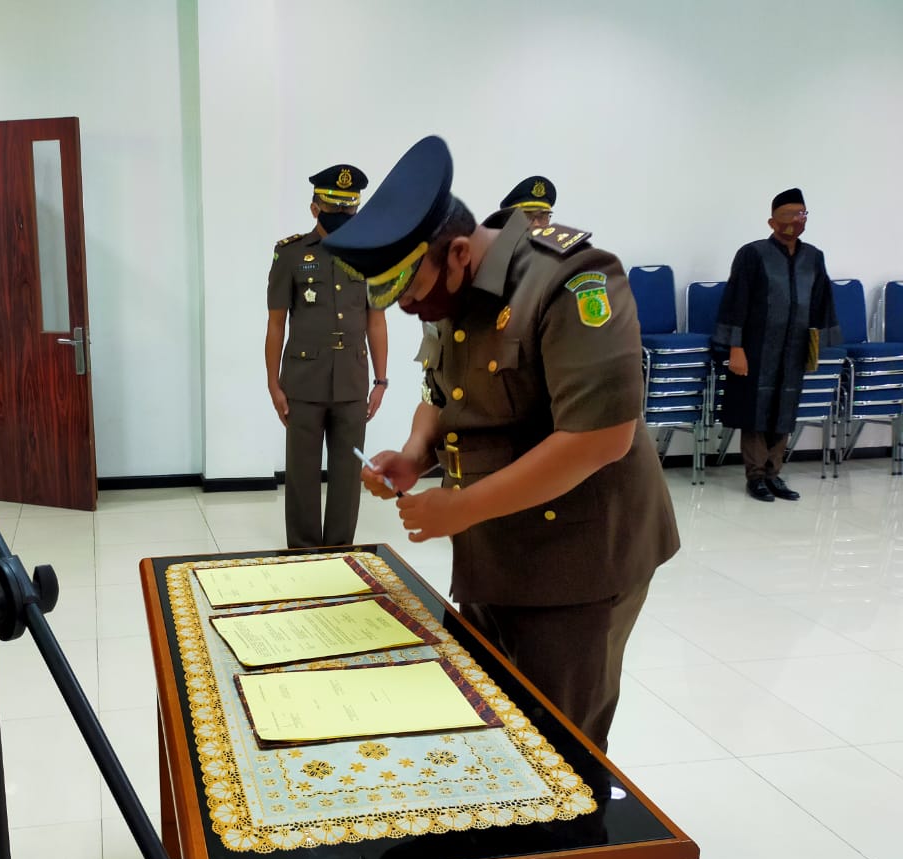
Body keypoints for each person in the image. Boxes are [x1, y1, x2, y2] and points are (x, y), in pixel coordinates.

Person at [322, 136, 678, 752]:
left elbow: (600, 437)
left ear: (458, 252)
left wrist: (458, 507)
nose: (407, 307)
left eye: (410, 290)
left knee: (561, 744)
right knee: (497, 725)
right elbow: (442, 394)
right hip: (497, 549)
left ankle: (570, 846)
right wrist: (413, 454)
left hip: (578, 559)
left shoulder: (573, 280)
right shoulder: (454, 291)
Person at [266, 164, 388, 548]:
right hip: (303, 381)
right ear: (315, 208)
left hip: (352, 380)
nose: (343, 217)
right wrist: (274, 384)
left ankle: (339, 550)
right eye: (334, 209)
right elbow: (276, 325)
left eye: (349, 209)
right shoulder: (290, 255)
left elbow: (377, 322)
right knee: (302, 473)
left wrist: (381, 381)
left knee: (348, 473)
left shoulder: (370, 253)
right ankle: (303, 550)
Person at [713, 188, 840, 502]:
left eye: (802, 215)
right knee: (756, 412)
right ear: (772, 222)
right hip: (757, 347)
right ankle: (755, 476)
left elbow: (822, 302)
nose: (797, 221)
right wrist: (735, 348)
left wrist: (816, 346)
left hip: (795, 346)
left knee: (785, 410)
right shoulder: (753, 254)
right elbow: (736, 301)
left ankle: (774, 473)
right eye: (789, 216)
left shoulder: (814, 256)